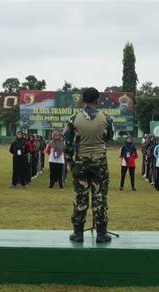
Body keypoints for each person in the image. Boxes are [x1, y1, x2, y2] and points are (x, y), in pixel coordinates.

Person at [64, 87, 114, 243]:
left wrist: (71, 162)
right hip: (99, 161)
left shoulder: (73, 119)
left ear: (82, 100)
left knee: (80, 197)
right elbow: (109, 137)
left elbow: (67, 144)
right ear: (97, 100)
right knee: (100, 197)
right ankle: (101, 233)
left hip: (80, 162)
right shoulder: (106, 118)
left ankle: (78, 233)